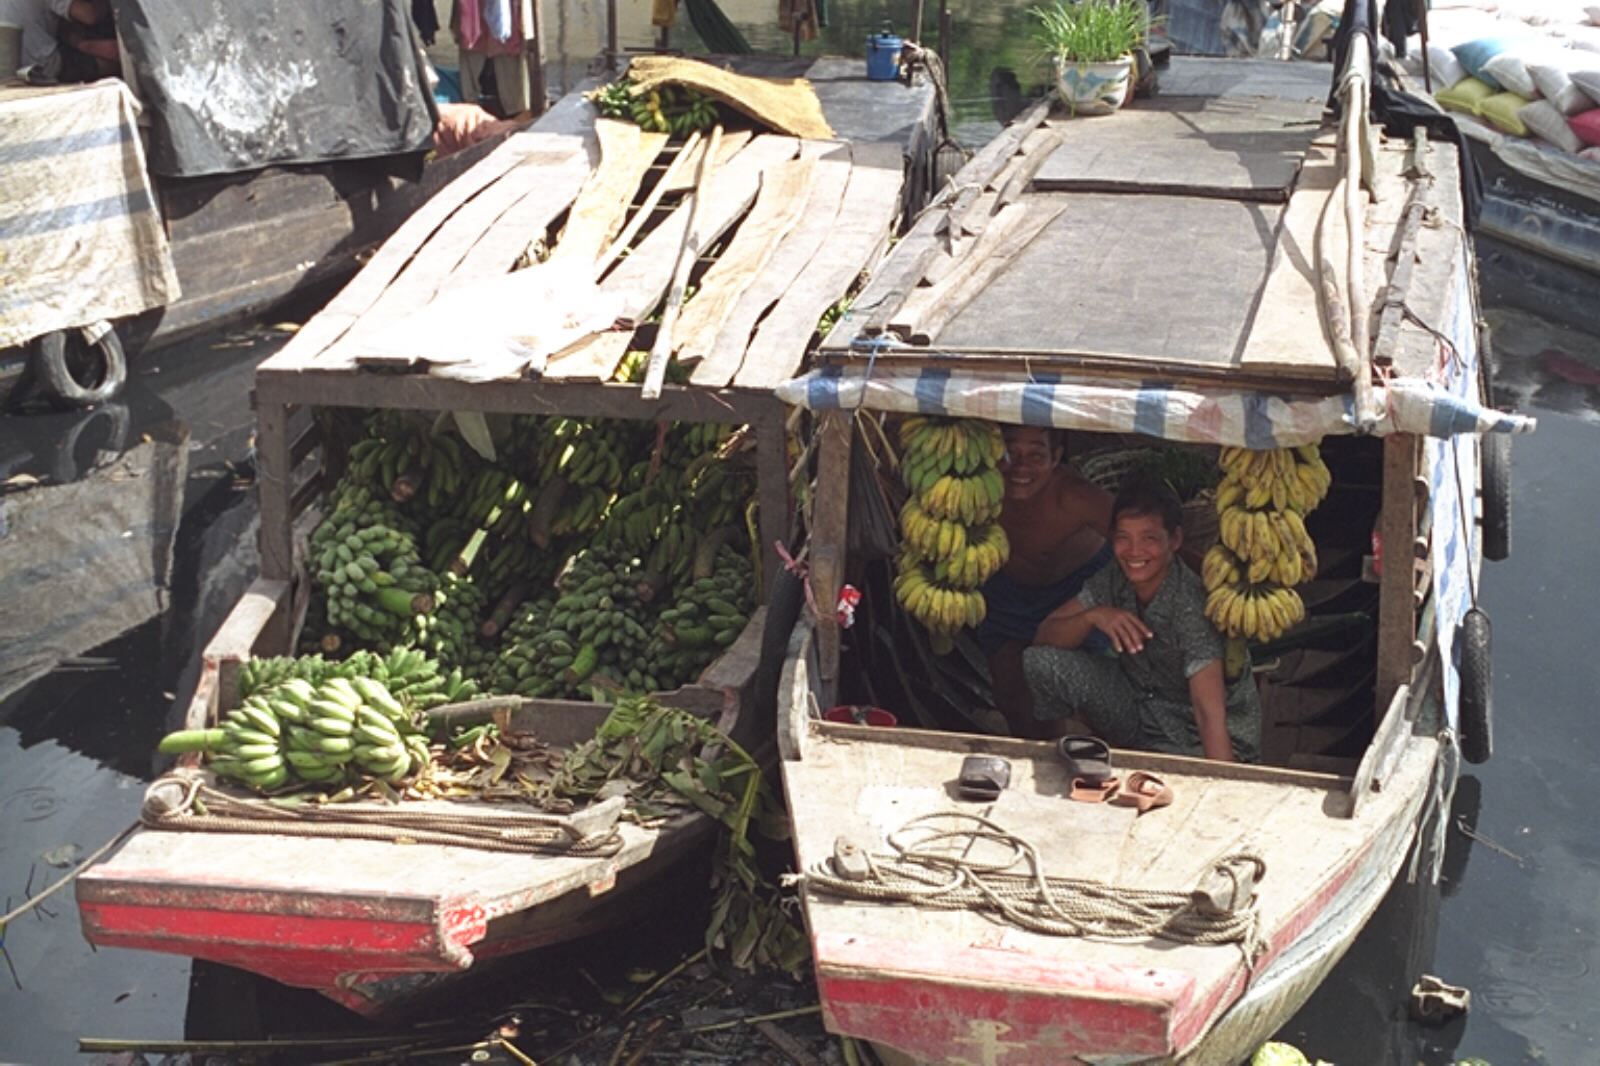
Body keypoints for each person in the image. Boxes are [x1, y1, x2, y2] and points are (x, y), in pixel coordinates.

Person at [1022, 477, 1260, 763]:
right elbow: (1045, 636)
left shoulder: (1191, 606)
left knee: (1163, 773)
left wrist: (1224, 784)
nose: (1134, 551)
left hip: (1191, 734)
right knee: (1040, 662)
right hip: (1140, 713)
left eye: (1149, 539)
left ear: (1174, 540)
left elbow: (1208, 713)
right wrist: (1093, 616)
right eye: (1124, 538)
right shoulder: (1114, 576)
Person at [977, 424, 1114, 737]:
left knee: (1072, 692)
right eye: (1010, 453)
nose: (1021, 467)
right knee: (1010, 688)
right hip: (1007, 589)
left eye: (1036, 455)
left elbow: (1135, 539)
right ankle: (1029, 753)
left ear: (1056, 458)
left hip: (1074, 589)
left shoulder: (1075, 496)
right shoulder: (977, 490)